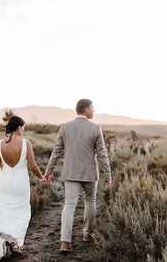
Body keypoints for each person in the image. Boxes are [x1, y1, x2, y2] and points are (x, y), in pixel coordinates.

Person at [43, 99, 112, 253]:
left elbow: (56, 151)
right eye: (93, 108)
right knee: (90, 201)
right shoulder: (95, 128)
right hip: (89, 173)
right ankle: (87, 235)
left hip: (70, 172)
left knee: (69, 205)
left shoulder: (65, 127)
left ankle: (65, 243)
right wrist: (108, 174)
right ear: (86, 110)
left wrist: (48, 171)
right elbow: (102, 155)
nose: (94, 111)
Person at [0, 116, 44, 260]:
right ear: (19, 127)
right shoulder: (26, 144)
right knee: (21, 212)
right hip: (20, 183)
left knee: (5, 212)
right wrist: (41, 177)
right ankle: (16, 244)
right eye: (23, 127)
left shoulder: (0, 144)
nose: (23, 129)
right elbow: (33, 166)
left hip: (5, 182)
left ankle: (7, 242)